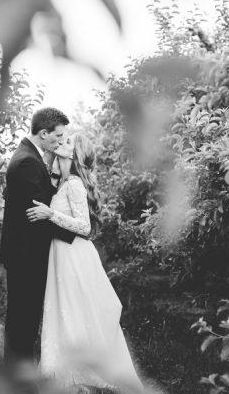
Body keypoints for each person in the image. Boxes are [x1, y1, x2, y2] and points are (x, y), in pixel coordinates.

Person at [27, 133, 153, 394]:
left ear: (74, 156)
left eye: (67, 142)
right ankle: (68, 375)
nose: (62, 142)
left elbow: (84, 227)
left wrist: (50, 213)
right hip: (63, 255)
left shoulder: (73, 183)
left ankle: (80, 373)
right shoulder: (65, 182)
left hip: (73, 255)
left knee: (75, 313)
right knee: (68, 313)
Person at [0, 107, 76, 366]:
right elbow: (39, 212)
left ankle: (16, 371)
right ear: (43, 134)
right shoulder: (28, 162)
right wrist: (74, 234)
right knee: (25, 317)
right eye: (57, 137)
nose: (60, 142)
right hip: (27, 253)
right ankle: (18, 374)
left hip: (22, 250)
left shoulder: (27, 156)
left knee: (21, 315)